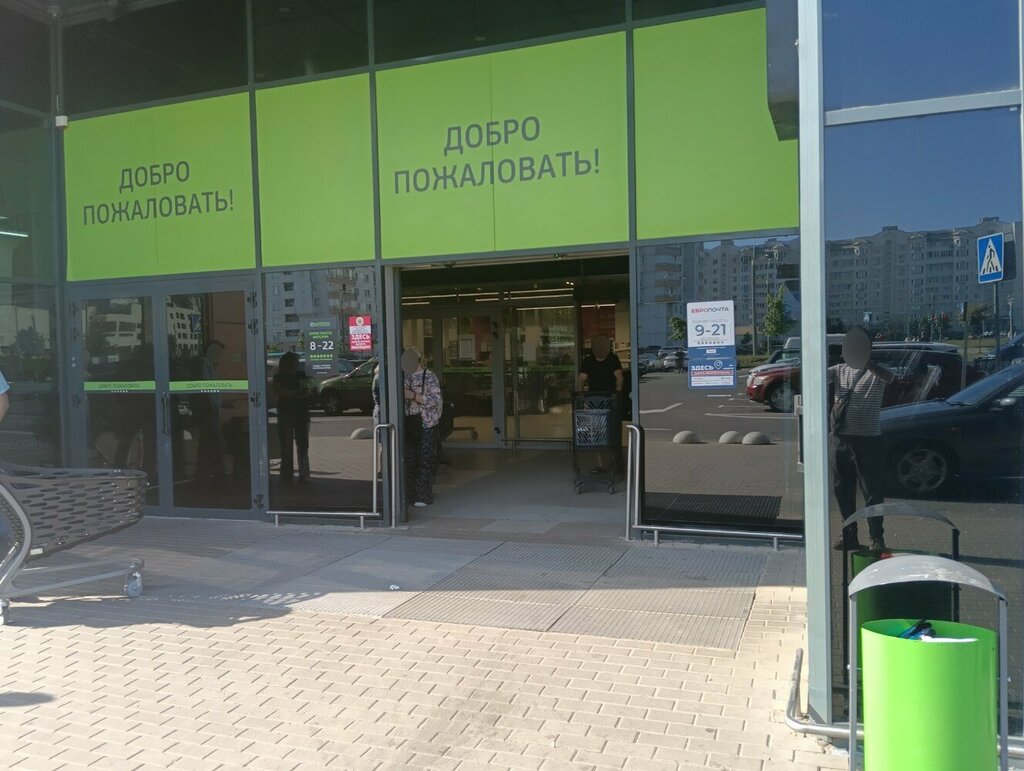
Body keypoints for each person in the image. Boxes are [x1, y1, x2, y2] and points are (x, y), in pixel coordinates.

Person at [828, 327, 894, 551]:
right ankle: (849, 535)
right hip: (840, 439)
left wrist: (865, 362)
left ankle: (877, 538)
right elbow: (815, 376)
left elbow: (890, 378)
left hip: (868, 440)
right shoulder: (838, 370)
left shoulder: (877, 372)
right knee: (842, 490)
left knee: (872, 491)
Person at [577, 335, 624, 475]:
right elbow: (581, 378)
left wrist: (617, 393)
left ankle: (614, 460)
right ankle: (600, 464)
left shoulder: (612, 359)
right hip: (594, 401)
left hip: (610, 400)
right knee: (596, 432)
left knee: (612, 431)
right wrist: (581, 395)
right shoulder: (588, 360)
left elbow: (619, 377)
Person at [402, 348, 442, 507]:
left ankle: (423, 496)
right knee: (409, 460)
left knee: (425, 460)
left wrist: (413, 396)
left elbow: (435, 400)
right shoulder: (404, 377)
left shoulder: (430, 376)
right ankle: (410, 495)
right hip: (409, 423)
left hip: (426, 424)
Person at [272, 352, 313, 481]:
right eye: (292, 362)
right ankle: (292, 474)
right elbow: (280, 391)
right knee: (289, 445)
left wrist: (290, 393)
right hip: (290, 413)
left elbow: (306, 391)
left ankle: (296, 474)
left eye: (295, 362)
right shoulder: (280, 377)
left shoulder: (299, 375)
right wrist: (296, 393)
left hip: (297, 413)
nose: (294, 364)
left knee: (299, 445)